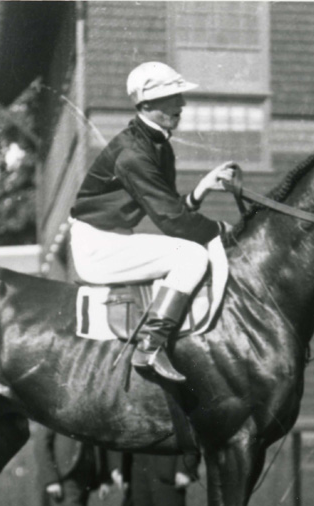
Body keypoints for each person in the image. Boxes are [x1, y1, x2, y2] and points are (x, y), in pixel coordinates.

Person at [68, 61, 239, 382]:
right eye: (173, 97)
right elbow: (172, 221)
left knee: (189, 249)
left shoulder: (156, 143)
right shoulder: (134, 152)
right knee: (193, 255)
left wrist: (201, 190)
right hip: (98, 246)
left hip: (112, 238)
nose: (182, 105)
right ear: (146, 104)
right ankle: (149, 347)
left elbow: (171, 209)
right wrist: (218, 229)